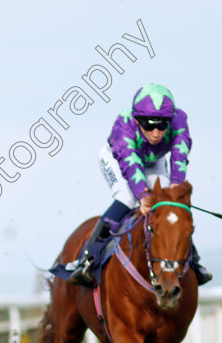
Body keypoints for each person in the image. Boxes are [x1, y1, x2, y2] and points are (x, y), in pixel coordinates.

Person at [68, 83, 212, 286]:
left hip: (154, 161)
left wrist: (176, 185)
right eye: (149, 126)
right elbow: (131, 163)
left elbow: (180, 153)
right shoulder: (124, 124)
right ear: (137, 121)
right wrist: (143, 196)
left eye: (162, 126)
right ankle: (88, 258)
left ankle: (194, 261)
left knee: (168, 208)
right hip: (119, 160)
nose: (156, 133)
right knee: (127, 197)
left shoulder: (179, 120)